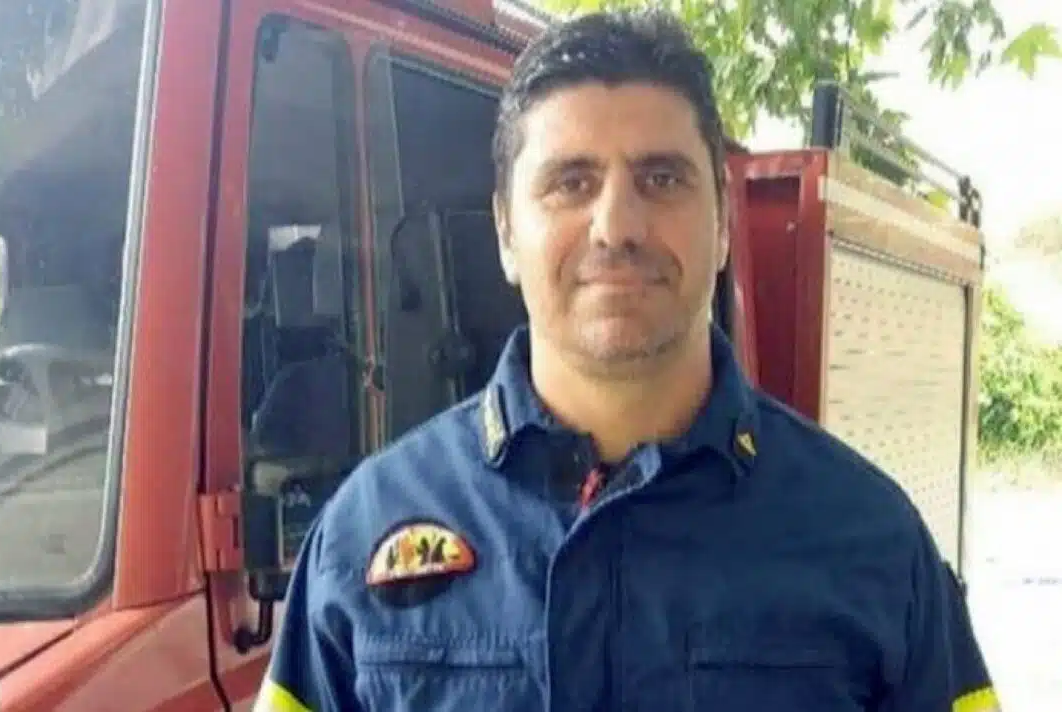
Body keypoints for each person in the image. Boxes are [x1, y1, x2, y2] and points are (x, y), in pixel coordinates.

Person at [254, 9, 999, 712]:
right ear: (507, 232)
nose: (617, 226)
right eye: (571, 183)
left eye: (661, 179)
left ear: (722, 223)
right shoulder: (361, 536)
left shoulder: (872, 541)